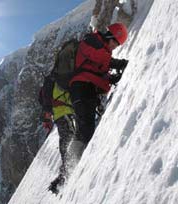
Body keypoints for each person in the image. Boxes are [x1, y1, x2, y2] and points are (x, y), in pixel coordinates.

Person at [68, 22, 129, 162]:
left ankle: (69, 165)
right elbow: (95, 56)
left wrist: (110, 78)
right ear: (110, 36)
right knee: (86, 128)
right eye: (115, 42)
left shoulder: (103, 48)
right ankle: (72, 166)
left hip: (86, 89)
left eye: (117, 45)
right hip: (81, 88)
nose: (115, 47)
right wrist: (115, 63)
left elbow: (96, 71)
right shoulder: (92, 40)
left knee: (84, 126)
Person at [40, 77, 76, 194]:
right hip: (64, 112)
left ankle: (63, 174)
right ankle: (65, 173)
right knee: (69, 138)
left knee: (65, 140)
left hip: (59, 115)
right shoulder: (58, 81)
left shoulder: (51, 84)